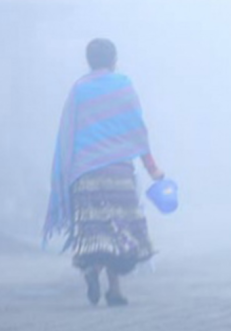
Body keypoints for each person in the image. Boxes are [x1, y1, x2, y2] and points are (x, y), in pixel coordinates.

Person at [43, 39, 164, 306]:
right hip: (118, 170)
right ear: (114, 59)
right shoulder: (123, 85)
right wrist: (152, 167)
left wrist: (66, 173)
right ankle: (115, 290)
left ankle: (93, 270)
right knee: (118, 229)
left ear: (89, 60)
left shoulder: (79, 90)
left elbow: (67, 133)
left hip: (85, 171)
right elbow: (136, 129)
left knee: (97, 228)